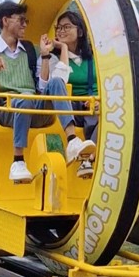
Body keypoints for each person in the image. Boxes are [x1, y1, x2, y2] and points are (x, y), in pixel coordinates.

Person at [0, 1, 95, 183]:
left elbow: (42, 85)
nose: (25, 25)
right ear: (6, 21)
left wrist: (46, 55)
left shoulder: (30, 51)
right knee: (24, 99)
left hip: (36, 108)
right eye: (21, 20)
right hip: (7, 110)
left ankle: (72, 140)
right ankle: (18, 160)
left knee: (56, 82)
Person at [40, 10, 99, 177]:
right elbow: (59, 80)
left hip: (93, 103)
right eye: (58, 28)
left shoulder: (93, 58)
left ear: (80, 31)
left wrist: (99, 101)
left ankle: (87, 159)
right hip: (68, 106)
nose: (61, 31)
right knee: (58, 83)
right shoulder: (51, 58)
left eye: (66, 27)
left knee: (107, 115)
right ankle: (73, 142)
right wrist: (64, 48)